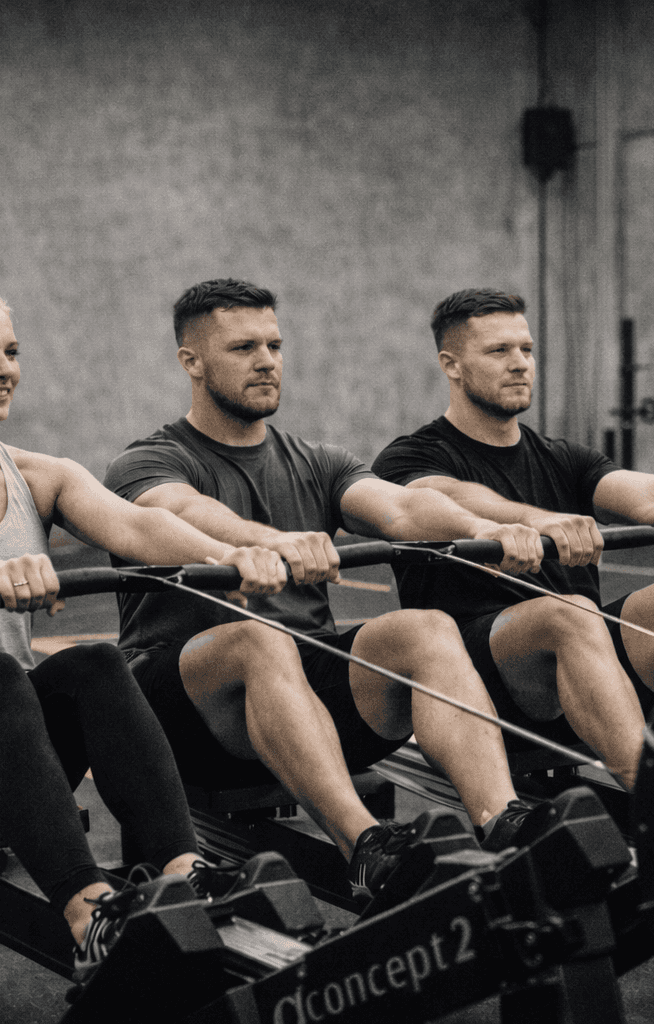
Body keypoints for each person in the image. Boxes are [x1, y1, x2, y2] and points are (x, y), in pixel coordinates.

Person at [0, 280, 286, 981]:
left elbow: (135, 525)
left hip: (1, 753)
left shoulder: (39, 475)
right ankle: (89, 913)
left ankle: (184, 869)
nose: (4, 367)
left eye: (11, 350)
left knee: (94, 663)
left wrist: (228, 557)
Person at [104, 278, 547, 901]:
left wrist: (485, 527)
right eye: (242, 348)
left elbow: (401, 511)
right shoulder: (149, 460)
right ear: (192, 362)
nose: (265, 360)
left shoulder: (319, 460)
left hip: (300, 693)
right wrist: (263, 543)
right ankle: (364, 846)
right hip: (180, 712)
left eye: (274, 345)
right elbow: (176, 512)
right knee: (259, 640)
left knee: (425, 628)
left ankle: (501, 820)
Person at [371, 289, 654, 790]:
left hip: (589, 670)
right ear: (451, 366)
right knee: (570, 614)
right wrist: (537, 521)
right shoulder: (409, 458)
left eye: (527, 349)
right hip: (480, 687)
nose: (520, 364)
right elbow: (442, 497)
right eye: (498, 351)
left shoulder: (562, 457)